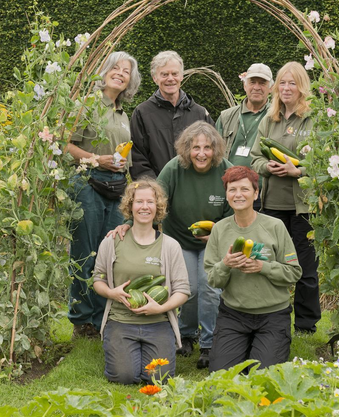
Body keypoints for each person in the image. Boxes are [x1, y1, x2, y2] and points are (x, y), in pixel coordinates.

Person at [112, 121, 232, 369]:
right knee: (188, 288)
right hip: (180, 241)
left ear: (216, 149)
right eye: (195, 147)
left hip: (213, 242)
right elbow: (156, 197)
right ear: (186, 149)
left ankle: (209, 343)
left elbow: (233, 210)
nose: (201, 153)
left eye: (207, 147)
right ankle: (187, 334)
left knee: (210, 289)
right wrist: (127, 222)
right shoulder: (175, 168)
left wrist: (218, 235)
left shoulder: (225, 171)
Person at [66, 51, 141, 339]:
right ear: (104, 71)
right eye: (116, 68)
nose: (120, 73)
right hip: (88, 184)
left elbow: (126, 162)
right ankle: (81, 319)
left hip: (116, 187)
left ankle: (101, 318)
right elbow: (65, 145)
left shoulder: (124, 115)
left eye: (127, 72)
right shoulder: (86, 104)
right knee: (85, 252)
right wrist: (98, 160)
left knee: (108, 255)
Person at [205, 166, 302, 371]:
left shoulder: (275, 226)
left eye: (244, 189)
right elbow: (213, 280)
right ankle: (245, 346)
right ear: (226, 194)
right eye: (232, 190)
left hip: (273, 315)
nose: (238, 195)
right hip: (233, 315)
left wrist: (262, 267)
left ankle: (259, 347)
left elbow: (293, 273)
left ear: (256, 193)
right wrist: (226, 264)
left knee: (262, 376)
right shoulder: (219, 230)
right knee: (221, 376)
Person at [93, 178, 190, 384]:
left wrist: (160, 308)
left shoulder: (170, 246)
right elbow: (98, 278)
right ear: (130, 206)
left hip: (158, 322)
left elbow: (182, 290)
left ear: (158, 208)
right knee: (124, 376)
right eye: (139, 202)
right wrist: (111, 293)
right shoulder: (112, 241)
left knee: (159, 378)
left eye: (150, 202)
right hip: (120, 320)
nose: (144, 207)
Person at [250, 61, 321, 334]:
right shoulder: (269, 120)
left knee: (304, 268)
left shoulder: (313, 120)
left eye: (292, 82)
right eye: (282, 82)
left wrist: (298, 170)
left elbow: (325, 161)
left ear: (302, 86)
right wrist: (266, 167)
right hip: (270, 206)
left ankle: (305, 324)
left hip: (302, 207)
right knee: (268, 262)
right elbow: (255, 157)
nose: (287, 88)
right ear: (276, 87)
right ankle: (268, 317)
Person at [129, 50, 214, 180]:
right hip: (158, 192)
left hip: (195, 188)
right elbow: (137, 159)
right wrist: (156, 189)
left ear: (181, 76)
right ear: (155, 78)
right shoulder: (142, 113)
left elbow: (214, 151)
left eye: (174, 73)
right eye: (164, 74)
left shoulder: (200, 113)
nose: (170, 78)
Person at [216, 63, 273, 210]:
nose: (256, 87)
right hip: (230, 193)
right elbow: (215, 156)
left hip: (264, 195)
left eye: (262, 83)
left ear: (271, 88)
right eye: (252, 82)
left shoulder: (277, 116)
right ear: (245, 86)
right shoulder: (226, 117)